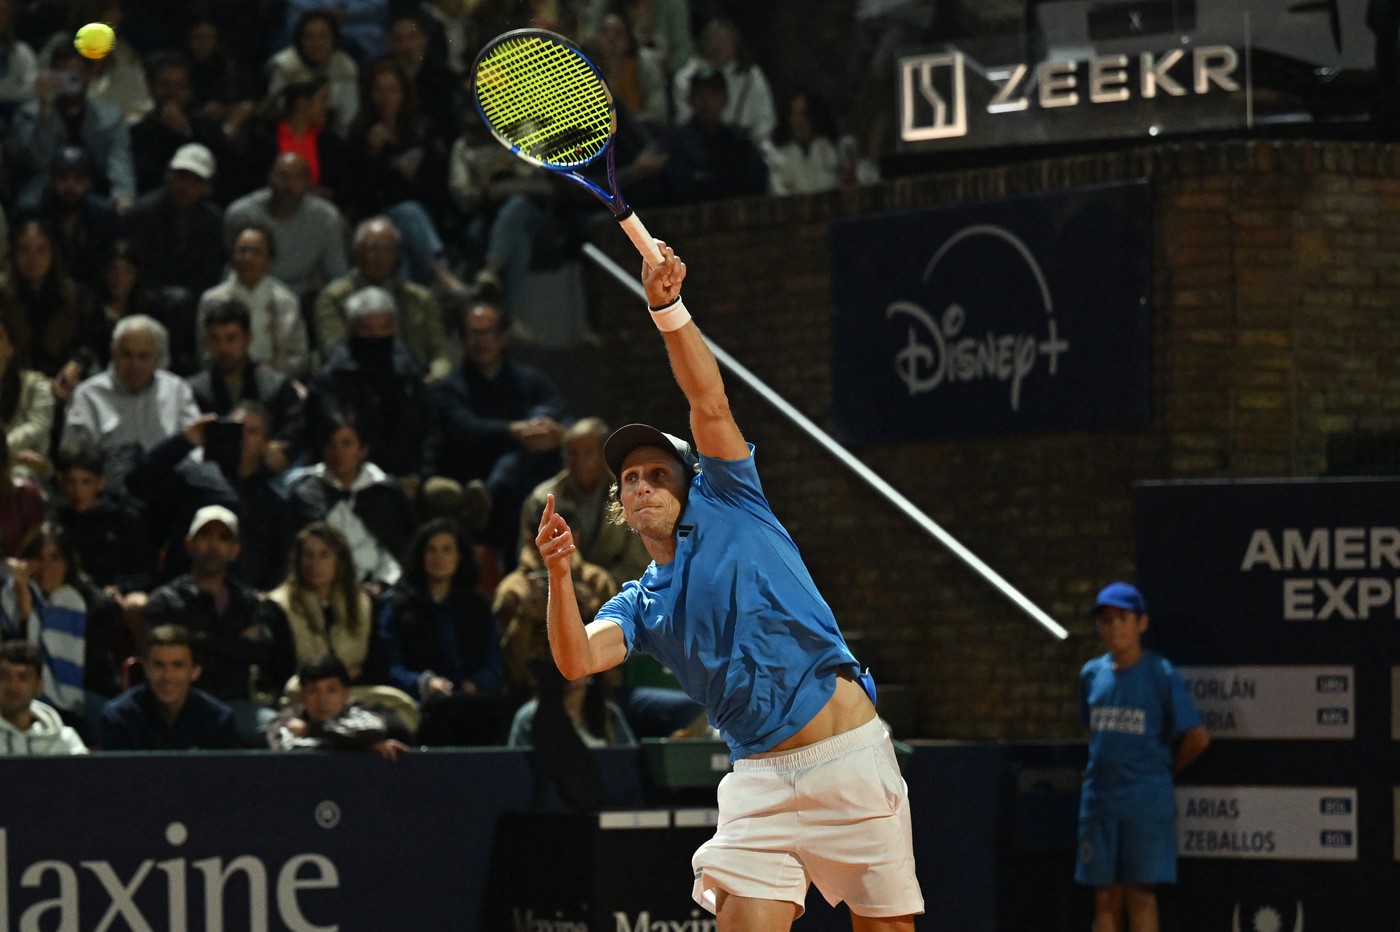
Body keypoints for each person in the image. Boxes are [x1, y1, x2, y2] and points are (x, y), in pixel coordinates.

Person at [535, 243, 922, 929]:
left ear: (690, 483)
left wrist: (667, 307)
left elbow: (705, 397)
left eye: (659, 473)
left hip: (849, 761)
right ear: (621, 504)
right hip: (760, 782)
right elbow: (575, 659)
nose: (644, 483)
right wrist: (559, 578)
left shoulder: (733, 497)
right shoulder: (642, 603)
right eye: (631, 479)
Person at [1077, 582, 1210, 932]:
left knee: (1140, 895)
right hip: (1100, 803)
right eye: (1106, 620)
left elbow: (1196, 738)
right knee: (1105, 899)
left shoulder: (1160, 673)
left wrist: (1163, 772)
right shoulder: (1091, 674)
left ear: (1142, 623)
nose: (1114, 627)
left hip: (1145, 804)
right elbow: (1092, 735)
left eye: (1123, 618)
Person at [431, 300, 568, 568]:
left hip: (525, 485)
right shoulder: (450, 387)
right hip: (473, 474)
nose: (482, 341)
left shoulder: (529, 380)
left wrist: (555, 434)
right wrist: (512, 431)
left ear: (503, 336)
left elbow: (561, 415)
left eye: (489, 332)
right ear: (461, 338)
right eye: (474, 333)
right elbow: (464, 428)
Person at [140, 504, 294, 743]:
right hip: (180, 706)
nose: (213, 545)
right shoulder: (165, 601)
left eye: (223, 538)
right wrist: (234, 643)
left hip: (238, 703)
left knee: (285, 736)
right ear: (189, 543)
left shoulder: (249, 601)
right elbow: (164, 655)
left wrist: (199, 640)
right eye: (205, 536)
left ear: (235, 550)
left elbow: (262, 652)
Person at [378, 516, 507, 745]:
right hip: (421, 704)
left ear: (460, 557)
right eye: (432, 550)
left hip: (474, 703)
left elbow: (494, 663)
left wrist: (476, 684)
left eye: (447, 550)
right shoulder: (398, 607)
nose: (439, 557)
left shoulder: (478, 607)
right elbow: (391, 666)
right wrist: (425, 682)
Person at [305, 284, 435, 487]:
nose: (377, 339)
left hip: (406, 478)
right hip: (346, 480)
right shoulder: (332, 380)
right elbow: (323, 438)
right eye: (367, 329)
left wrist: (419, 475)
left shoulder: (409, 371)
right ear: (351, 328)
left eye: (385, 328)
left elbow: (428, 428)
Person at [1, 521, 122, 730]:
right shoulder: (12, 598)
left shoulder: (90, 602)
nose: (46, 567)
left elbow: (96, 668)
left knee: (118, 720)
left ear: (68, 561)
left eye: (55, 557)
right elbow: (17, 661)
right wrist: (26, 609)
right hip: (30, 692)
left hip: (86, 690)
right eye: (39, 558)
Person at [62, 314, 201, 485]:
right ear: (113, 353)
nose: (134, 365)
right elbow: (74, 457)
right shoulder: (88, 395)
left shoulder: (176, 390)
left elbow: (196, 448)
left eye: (143, 356)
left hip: (169, 489)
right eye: (127, 355)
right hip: (112, 491)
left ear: (158, 358)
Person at [287, 412, 417, 591]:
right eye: (331, 445)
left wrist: (381, 583)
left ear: (362, 449)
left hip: (374, 591)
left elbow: (396, 549)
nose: (338, 453)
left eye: (346, 444)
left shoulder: (383, 493)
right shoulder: (307, 492)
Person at [313, 216, 452, 378]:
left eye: (387, 249)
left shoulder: (420, 299)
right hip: (354, 382)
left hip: (414, 383)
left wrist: (431, 379)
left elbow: (441, 356)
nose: (380, 256)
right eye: (373, 248)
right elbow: (334, 350)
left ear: (397, 255)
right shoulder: (333, 298)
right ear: (357, 252)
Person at [7, 41, 136, 213]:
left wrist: (123, 196)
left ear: (89, 75)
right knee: (26, 208)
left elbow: (119, 162)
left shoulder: (110, 118)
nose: (69, 81)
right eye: (62, 74)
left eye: (76, 74)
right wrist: (46, 112)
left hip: (95, 189)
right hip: (45, 190)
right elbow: (39, 162)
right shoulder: (28, 115)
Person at [222, 153, 349, 300]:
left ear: (309, 183)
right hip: (246, 292)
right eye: (283, 176)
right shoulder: (242, 214)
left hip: (300, 297)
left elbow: (336, 276)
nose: (290, 184)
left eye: (298, 177)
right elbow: (232, 267)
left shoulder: (327, 217)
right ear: (269, 178)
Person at [95, 622, 240, 750]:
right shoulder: (118, 719)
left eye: (177, 665)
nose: (167, 676)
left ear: (195, 671)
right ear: (146, 668)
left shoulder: (218, 719)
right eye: (158, 665)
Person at [197, 224, 309, 378]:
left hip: (275, 380)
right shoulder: (213, 299)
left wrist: (274, 375)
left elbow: (298, 355)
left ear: (270, 259)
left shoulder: (286, 300)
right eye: (242, 251)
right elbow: (205, 354)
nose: (248, 258)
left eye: (257, 252)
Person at [18, 145, 123, 293]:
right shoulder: (30, 213)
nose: (70, 187)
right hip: (39, 292)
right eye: (63, 179)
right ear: (51, 181)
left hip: (92, 296)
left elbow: (111, 265)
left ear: (89, 183)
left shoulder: (104, 216)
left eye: (78, 179)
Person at [267, 654, 410, 760]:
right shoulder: (284, 720)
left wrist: (312, 730)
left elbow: (372, 732)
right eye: (313, 691)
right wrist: (361, 747)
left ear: (346, 694)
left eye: (331, 690)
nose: (322, 699)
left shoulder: (363, 711)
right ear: (301, 696)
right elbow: (289, 751)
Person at [670, 18, 777, 146]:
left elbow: (765, 119)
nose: (718, 46)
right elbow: (685, 119)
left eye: (724, 40)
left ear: (734, 44)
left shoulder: (752, 76)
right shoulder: (686, 77)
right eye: (714, 40)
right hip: (701, 145)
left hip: (747, 144)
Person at [263, 9, 359, 138]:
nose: (317, 44)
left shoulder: (345, 66)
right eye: (309, 37)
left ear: (333, 39)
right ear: (300, 40)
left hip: (333, 136)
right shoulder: (284, 65)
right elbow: (279, 110)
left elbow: (349, 115)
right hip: (290, 135)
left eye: (322, 36)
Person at [0, 640, 87, 754]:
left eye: (23, 677)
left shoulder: (64, 740)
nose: (13, 686)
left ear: (39, 685)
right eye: (3, 676)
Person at [0, 310, 55, 478]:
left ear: (11, 348)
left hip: (30, 469)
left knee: (21, 474)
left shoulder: (35, 385)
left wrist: (3, 452)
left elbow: (38, 427)